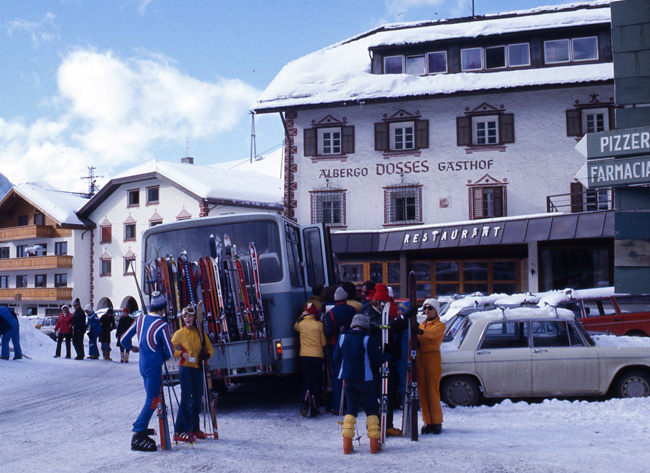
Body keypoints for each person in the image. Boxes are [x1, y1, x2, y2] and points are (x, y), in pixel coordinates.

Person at [120, 291, 174, 452]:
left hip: (143, 365)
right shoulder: (162, 324)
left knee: (151, 398)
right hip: (154, 367)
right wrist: (160, 356)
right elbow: (170, 352)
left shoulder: (140, 319)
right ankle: (139, 430)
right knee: (152, 399)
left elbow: (123, 340)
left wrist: (133, 348)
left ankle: (141, 426)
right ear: (163, 308)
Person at [333, 313, 389, 454]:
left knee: (351, 410)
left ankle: (347, 444)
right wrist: (388, 355)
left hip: (348, 379)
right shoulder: (367, 339)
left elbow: (336, 358)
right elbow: (376, 360)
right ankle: (374, 445)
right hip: (365, 379)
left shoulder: (342, 337)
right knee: (371, 409)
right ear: (365, 326)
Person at [171, 306, 214, 442]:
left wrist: (206, 354)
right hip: (186, 369)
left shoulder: (200, 333)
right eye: (185, 317)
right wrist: (181, 353)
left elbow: (210, 348)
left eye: (190, 316)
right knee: (186, 398)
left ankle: (194, 428)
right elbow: (168, 348)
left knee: (197, 398)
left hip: (197, 369)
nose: (187, 319)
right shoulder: (180, 333)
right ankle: (179, 430)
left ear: (194, 318)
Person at [323, 286, 357, 414]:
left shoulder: (330, 313)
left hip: (335, 345)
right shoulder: (353, 310)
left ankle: (337, 406)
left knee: (337, 375)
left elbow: (328, 332)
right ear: (345, 298)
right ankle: (352, 405)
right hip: (352, 344)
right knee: (351, 375)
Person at [417, 298, 446, 435]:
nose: (427, 311)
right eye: (425, 308)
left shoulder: (440, 325)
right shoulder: (421, 324)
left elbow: (432, 335)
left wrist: (420, 333)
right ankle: (427, 421)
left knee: (433, 390)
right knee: (422, 390)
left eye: (430, 308)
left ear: (436, 310)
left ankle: (437, 421)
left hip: (432, 358)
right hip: (420, 358)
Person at [294, 302, 326, 417]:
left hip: (304, 356)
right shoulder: (319, 325)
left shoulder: (301, 324)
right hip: (317, 356)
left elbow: (295, 325)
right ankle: (315, 406)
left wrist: (302, 316)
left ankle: (304, 403)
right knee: (316, 382)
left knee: (307, 381)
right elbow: (323, 343)